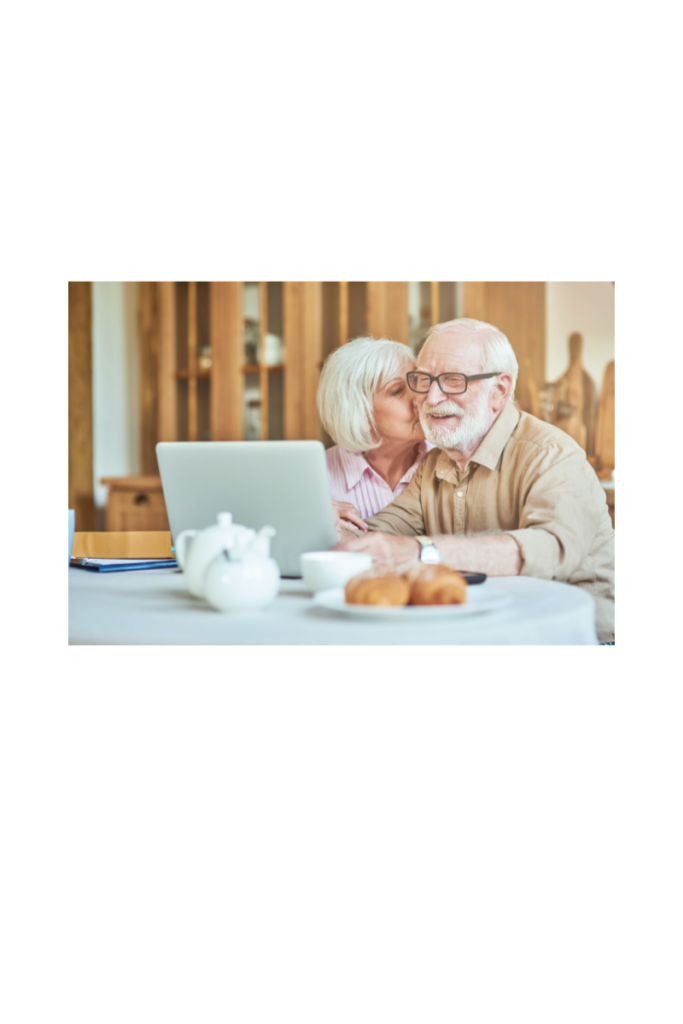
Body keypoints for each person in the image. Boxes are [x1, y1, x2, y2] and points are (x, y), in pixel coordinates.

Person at [335, 318, 615, 644]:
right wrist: (334, 526)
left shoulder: (552, 454)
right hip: (491, 634)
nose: (431, 398)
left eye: (453, 381)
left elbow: (550, 549)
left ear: (499, 391)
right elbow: (380, 533)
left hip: (578, 640)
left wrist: (422, 552)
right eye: (424, 380)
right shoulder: (435, 462)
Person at [317, 337, 431, 535]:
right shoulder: (318, 477)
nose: (420, 398)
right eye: (397, 391)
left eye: (417, 382)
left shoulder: (449, 462)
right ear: (361, 415)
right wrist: (313, 523)